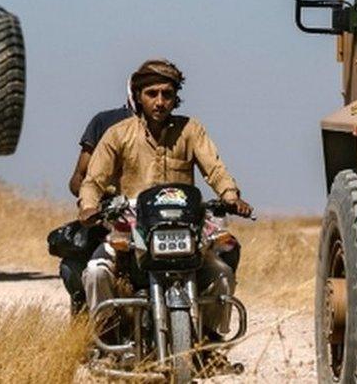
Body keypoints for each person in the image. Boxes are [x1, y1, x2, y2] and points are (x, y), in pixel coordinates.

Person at [79, 58, 252, 339]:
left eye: (167, 94)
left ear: (175, 98)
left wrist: (230, 196)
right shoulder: (117, 134)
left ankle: (210, 341)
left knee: (222, 273)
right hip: (133, 225)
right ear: (138, 96)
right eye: (152, 94)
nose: (159, 102)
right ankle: (107, 338)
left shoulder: (191, 131)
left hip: (186, 225)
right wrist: (88, 206)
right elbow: (93, 180)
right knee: (96, 271)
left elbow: (216, 169)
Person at [56, 84, 135, 314]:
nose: (159, 102)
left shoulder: (178, 129)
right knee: (75, 268)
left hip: (154, 219)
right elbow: (78, 180)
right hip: (111, 219)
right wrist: (95, 203)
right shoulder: (105, 122)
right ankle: (91, 329)